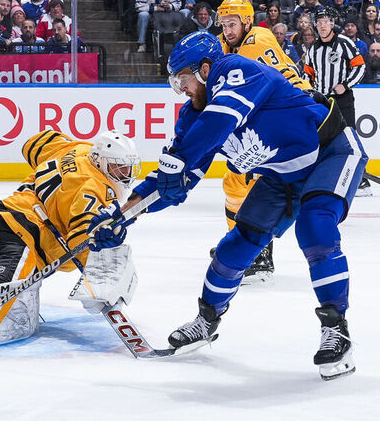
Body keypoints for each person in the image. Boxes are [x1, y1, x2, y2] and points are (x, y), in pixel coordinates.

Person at [90, 31, 367, 381]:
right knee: (235, 246)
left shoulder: (237, 70)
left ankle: (336, 330)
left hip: (331, 151)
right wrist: (121, 217)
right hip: (281, 176)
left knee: (314, 225)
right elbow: (172, 181)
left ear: (205, 69)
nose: (182, 90)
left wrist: (179, 159)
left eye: (183, 80)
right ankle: (206, 321)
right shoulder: (193, 118)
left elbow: (220, 121)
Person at [0, 130, 141, 355]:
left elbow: (36, 143)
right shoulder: (92, 188)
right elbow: (82, 239)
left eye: (127, 168)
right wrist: (99, 287)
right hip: (19, 237)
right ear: (99, 162)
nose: (124, 174)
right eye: (118, 167)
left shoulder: (76, 149)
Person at [214, 0, 312, 283]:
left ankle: (255, 253)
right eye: (223, 24)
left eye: (232, 24)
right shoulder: (236, 40)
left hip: (292, 115)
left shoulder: (256, 41)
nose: (227, 30)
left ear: (247, 22)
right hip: (280, 114)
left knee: (249, 183)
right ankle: (241, 244)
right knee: (235, 181)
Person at [304, 8, 370, 196]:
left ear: (332, 23)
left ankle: (361, 181)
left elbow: (360, 66)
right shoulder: (313, 48)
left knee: (348, 138)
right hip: (322, 101)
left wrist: (345, 85)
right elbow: (307, 74)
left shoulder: (344, 43)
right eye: (319, 22)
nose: (322, 25)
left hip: (342, 99)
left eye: (325, 21)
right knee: (321, 139)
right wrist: (308, 92)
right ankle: (324, 178)